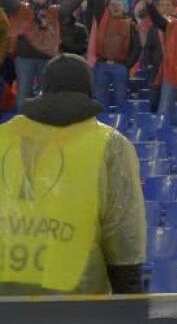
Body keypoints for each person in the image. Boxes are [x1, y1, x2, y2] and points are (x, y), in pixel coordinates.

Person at [0, 53, 145, 294]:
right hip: (80, 305)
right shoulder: (111, 145)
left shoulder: (3, 137)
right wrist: (129, 303)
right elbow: (124, 236)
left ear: (42, 87)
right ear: (88, 90)